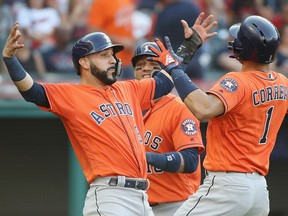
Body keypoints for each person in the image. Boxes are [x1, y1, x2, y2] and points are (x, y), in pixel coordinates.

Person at [1, 22, 176, 215]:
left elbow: (164, 82)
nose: (112, 60)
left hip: (142, 197)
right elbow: (32, 91)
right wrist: (10, 59)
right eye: (104, 55)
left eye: (112, 55)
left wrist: (187, 50)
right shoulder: (71, 95)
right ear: (84, 62)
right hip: (111, 196)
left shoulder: (129, 88)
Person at [148, 12, 288, 216]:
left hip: (228, 185)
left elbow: (203, 109)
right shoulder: (283, 83)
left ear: (242, 49)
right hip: (259, 189)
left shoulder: (239, 81)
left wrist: (175, 69)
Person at [131, 42, 205, 216]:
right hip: (138, 204)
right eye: (139, 66)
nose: (145, 69)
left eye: (153, 65)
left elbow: (189, 160)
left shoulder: (179, 108)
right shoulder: (128, 111)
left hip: (177, 205)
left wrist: (145, 157)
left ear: (165, 70)